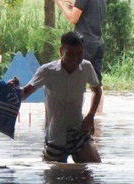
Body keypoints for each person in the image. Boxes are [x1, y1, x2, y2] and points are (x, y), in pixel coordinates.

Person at [12, 31, 101, 163]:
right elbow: (24, 94)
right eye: (70, 54)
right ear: (61, 51)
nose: (75, 59)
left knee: (94, 169)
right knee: (54, 178)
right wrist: (12, 89)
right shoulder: (47, 71)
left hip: (79, 130)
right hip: (55, 135)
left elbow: (97, 91)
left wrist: (90, 115)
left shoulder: (86, 68)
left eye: (79, 53)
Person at [52, 0, 108, 82]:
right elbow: (92, 11)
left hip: (85, 42)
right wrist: (76, 6)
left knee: (74, 77)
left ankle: (73, 101)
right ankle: (98, 102)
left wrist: (60, 4)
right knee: (97, 81)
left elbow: (73, 19)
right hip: (98, 42)